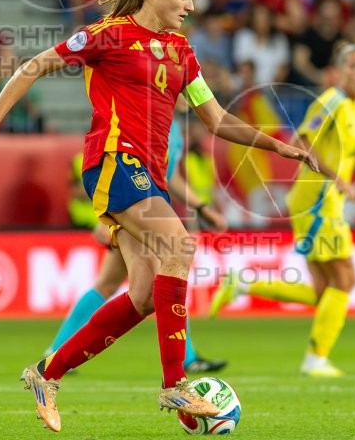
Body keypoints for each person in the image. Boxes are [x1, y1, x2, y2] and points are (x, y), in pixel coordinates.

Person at [0, 0, 317, 432]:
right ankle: (175, 383)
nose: (191, 6)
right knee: (180, 246)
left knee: (147, 294)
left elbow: (217, 120)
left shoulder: (182, 52)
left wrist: (282, 147)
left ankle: (47, 372)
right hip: (113, 161)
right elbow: (34, 65)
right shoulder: (107, 34)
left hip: (149, 174)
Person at [210, 43, 355, 378]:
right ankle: (315, 360)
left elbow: (333, 152)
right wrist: (338, 179)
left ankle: (243, 285)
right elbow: (303, 143)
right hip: (317, 202)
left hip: (325, 200)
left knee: (323, 289)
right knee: (345, 279)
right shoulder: (332, 100)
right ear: (339, 71)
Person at [49, 118, 230, 375]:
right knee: (168, 275)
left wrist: (202, 207)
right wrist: (109, 216)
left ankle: (56, 352)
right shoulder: (147, 114)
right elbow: (117, 165)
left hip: (149, 207)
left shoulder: (173, 125)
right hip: (136, 207)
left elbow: (171, 176)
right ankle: (183, 362)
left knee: (111, 284)